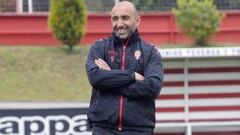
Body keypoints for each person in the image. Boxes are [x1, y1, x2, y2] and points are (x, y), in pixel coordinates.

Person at [85, 1, 164, 135]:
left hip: (139, 130)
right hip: (103, 129)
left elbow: (152, 88)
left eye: (125, 18)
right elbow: (96, 78)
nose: (119, 24)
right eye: (115, 18)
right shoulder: (99, 47)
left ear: (137, 20)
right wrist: (132, 76)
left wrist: (110, 76)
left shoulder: (150, 52)